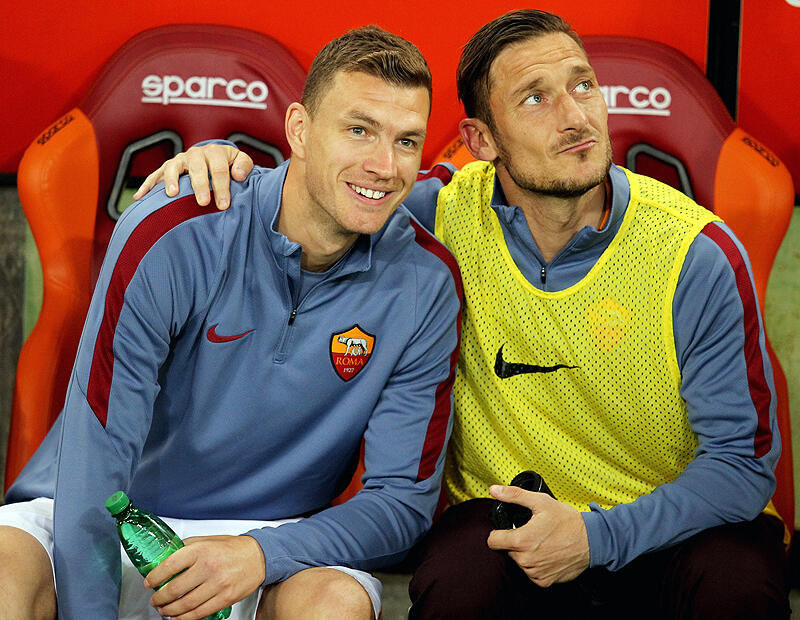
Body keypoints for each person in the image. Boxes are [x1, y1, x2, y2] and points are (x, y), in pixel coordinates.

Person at [135, 9, 789, 618]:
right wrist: (218, 167)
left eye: (584, 85)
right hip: (507, 522)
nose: (575, 117)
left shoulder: (695, 252)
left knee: (738, 584)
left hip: (669, 526)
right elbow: (329, 191)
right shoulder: (435, 216)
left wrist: (598, 536)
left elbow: (743, 464)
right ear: (480, 139)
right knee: (457, 577)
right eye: (535, 98)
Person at [0, 26, 462, 620]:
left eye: (406, 141)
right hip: (107, 516)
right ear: (299, 129)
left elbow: (401, 503)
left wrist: (261, 553)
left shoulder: (427, 281)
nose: (383, 165)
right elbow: (97, 456)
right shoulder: (172, 230)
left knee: (334, 606)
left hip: (274, 542)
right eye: (358, 130)